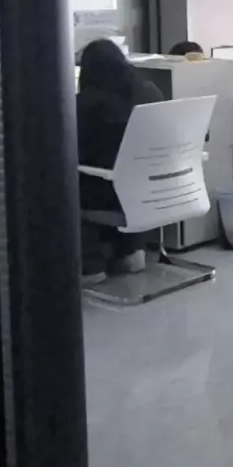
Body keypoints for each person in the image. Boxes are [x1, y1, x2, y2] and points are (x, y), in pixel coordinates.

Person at [77, 39, 165, 284]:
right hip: (154, 190)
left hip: (113, 196)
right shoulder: (150, 92)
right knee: (126, 174)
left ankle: (90, 265)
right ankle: (131, 252)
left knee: (63, 181)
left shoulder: (85, 104)